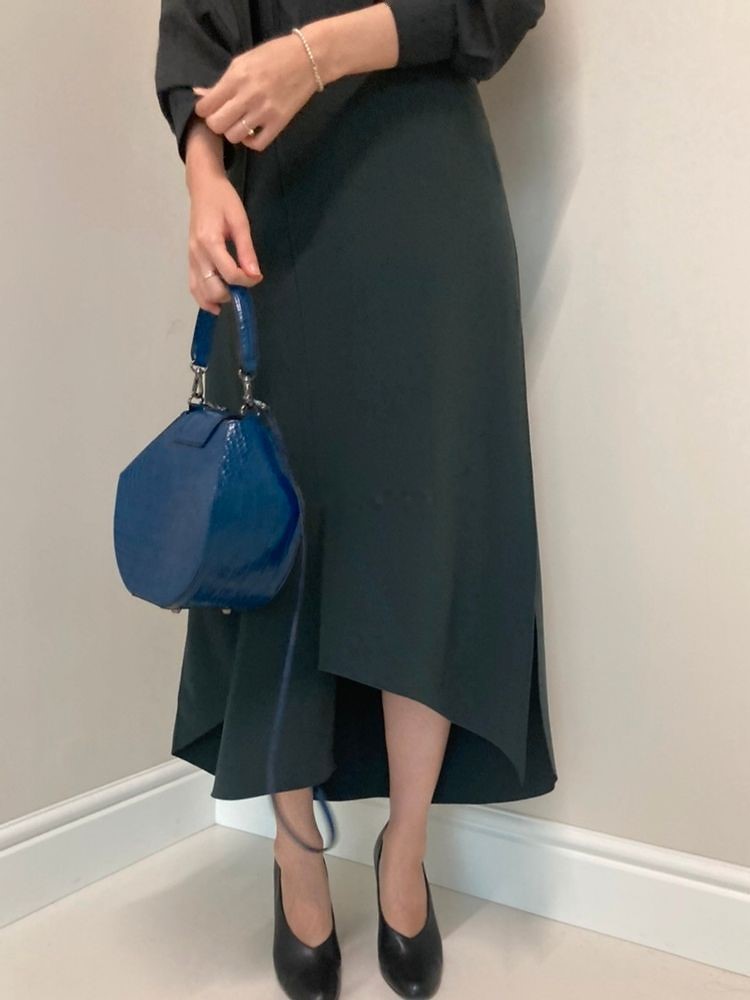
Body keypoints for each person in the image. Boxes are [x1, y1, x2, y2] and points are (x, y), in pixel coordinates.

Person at [154, 1, 556, 997]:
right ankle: (295, 851)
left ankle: (403, 850)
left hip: (429, 196)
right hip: (273, 203)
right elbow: (195, 27)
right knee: (272, 541)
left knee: (426, 531)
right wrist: (203, 179)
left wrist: (318, 52)